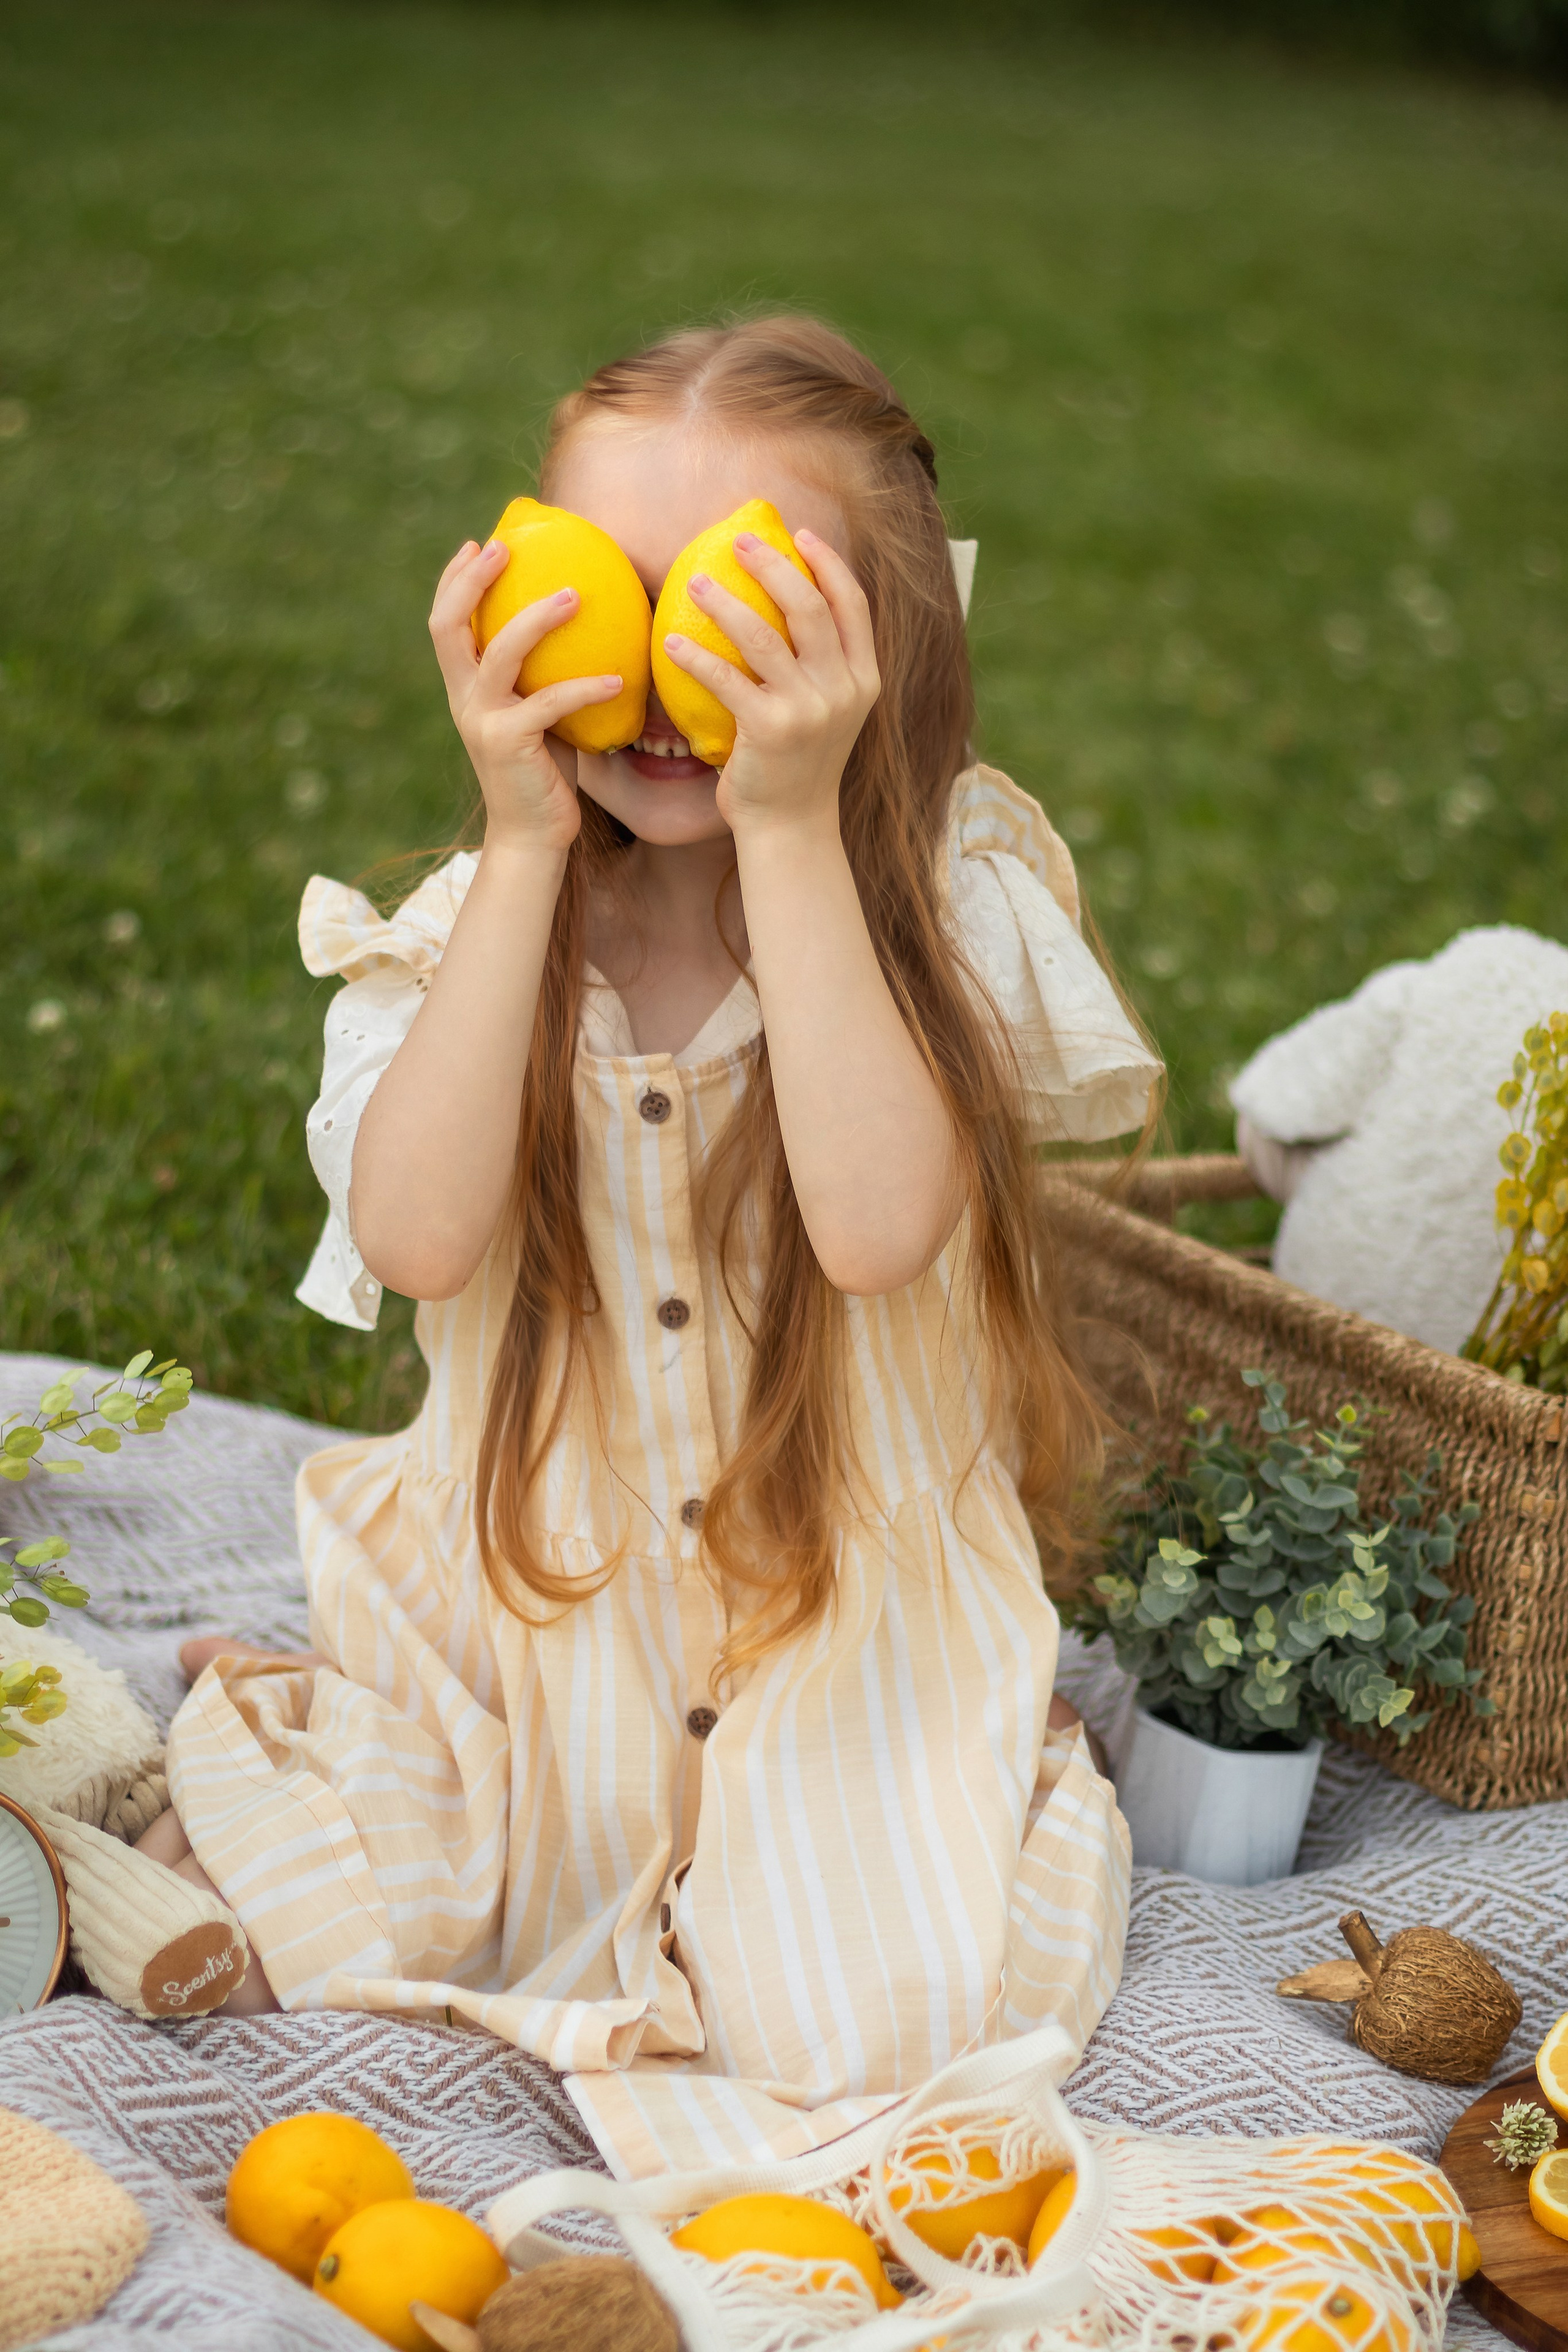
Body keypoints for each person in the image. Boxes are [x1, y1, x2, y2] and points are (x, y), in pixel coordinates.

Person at [145, 315, 1161, 2176]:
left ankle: (979, 1786)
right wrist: (525, 850)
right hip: (544, 1628)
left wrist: (790, 829)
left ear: (878, 646)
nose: (675, 679)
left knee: (862, 2033)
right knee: (361, 1915)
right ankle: (303, 1711)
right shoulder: (462, 931)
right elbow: (419, 1238)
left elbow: (872, 1231)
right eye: (612, 600)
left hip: (839, 1632)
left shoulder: (954, 918)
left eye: (742, 609)